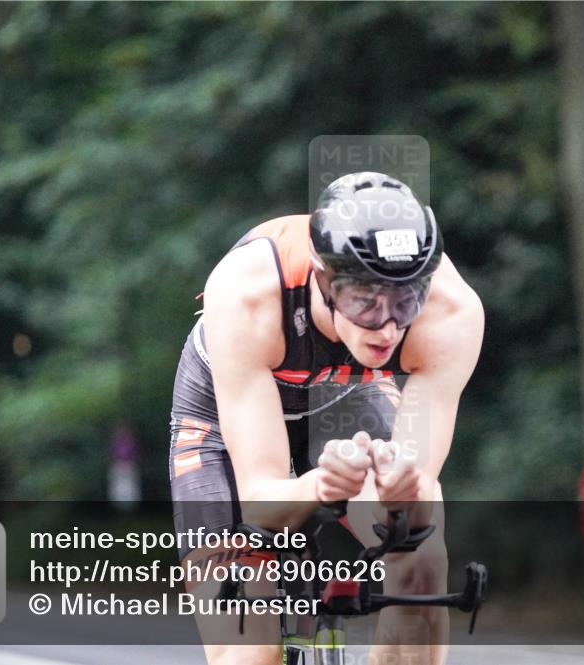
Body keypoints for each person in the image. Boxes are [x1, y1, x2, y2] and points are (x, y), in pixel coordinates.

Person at [169, 171, 483, 665]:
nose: (388, 327)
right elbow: (261, 502)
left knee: (420, 551)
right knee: (249, 651)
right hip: (221, 413)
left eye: (405, 301)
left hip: (345, 392)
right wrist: (319, 486)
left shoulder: (450, 313)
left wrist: (401, 493)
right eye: (365, 301)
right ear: (322, 277)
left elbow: (413, 484)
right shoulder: (248, 292)